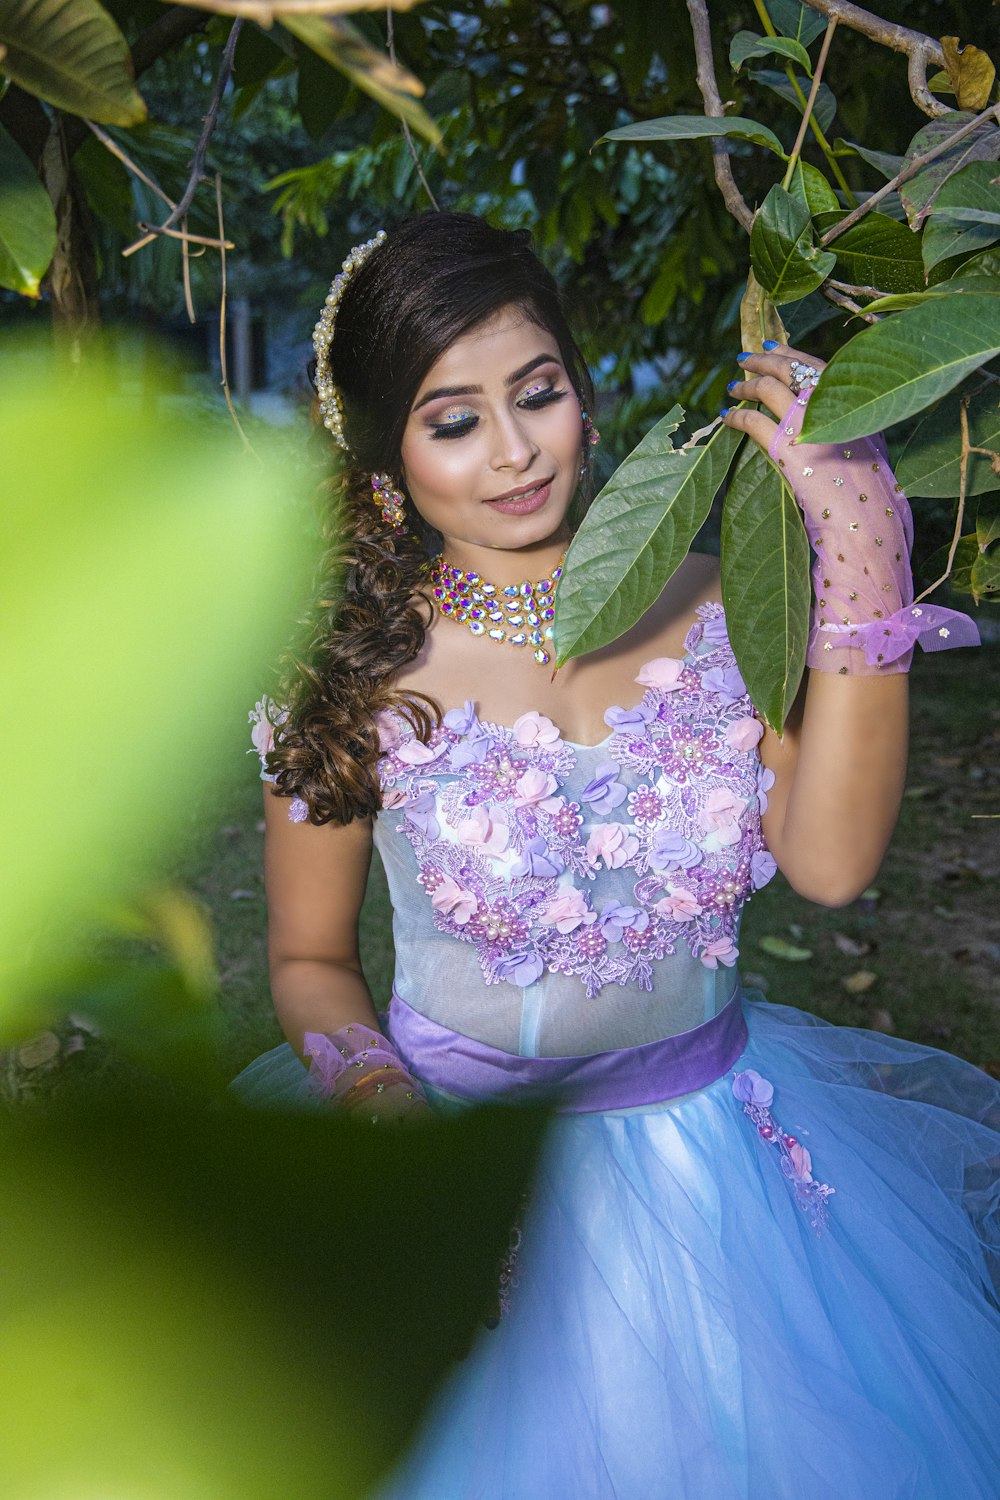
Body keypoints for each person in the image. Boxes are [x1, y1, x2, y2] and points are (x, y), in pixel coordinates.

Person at [234, 211, 1000, 1498]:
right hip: (470, 1174)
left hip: (726, 1181)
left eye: (538, 393)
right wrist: (388, 1116)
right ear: (385, 456)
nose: (517, 449)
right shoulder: (348, 678)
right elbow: (310, 958)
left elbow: (827, 865)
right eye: (453, 417)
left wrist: (858, 550)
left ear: (584, 396)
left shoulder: (721, 607)